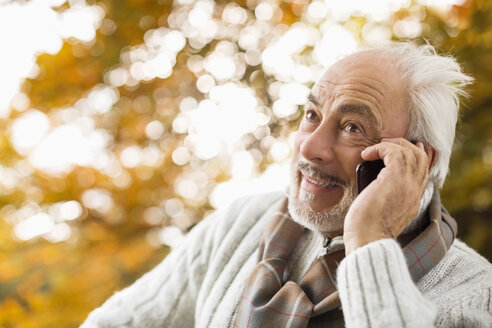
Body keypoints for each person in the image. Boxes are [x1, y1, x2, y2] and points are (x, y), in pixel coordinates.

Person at [81, 42, 492, 328]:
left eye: (353, 127)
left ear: (418, 158)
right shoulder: (245, 219)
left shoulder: (475, 290)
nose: (310, 147)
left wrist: (369, 243)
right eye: (312, 114)